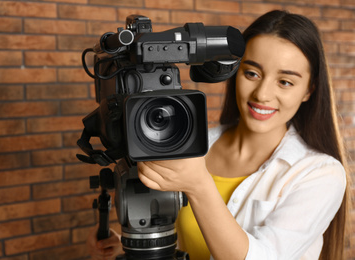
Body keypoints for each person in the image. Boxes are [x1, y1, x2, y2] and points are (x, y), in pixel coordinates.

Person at [87, 10, 350, 260]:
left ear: (308, 90)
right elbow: (184, 242)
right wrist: (132, 243)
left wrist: (199, 186)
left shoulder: (320, 174)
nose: (262, 94)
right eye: (252, 73)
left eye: (285, 82)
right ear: (234, 73)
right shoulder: (190, 142)